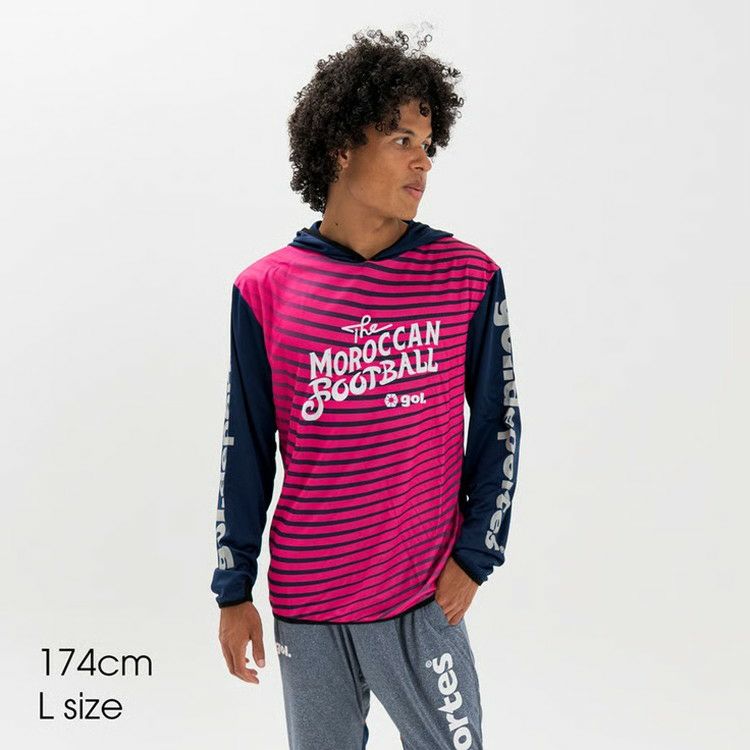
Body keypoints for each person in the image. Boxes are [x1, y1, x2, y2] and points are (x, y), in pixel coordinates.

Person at [210, 27, 522, 750]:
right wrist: (233, 588)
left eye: (428, 144)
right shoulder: (264, 290)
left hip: (420, 595)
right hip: (307, 600)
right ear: (341, 147)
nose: (423, 161)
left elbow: (499, 424)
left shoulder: (467, 276)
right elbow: (245, 449)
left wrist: (475, 556)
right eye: (401, 138)